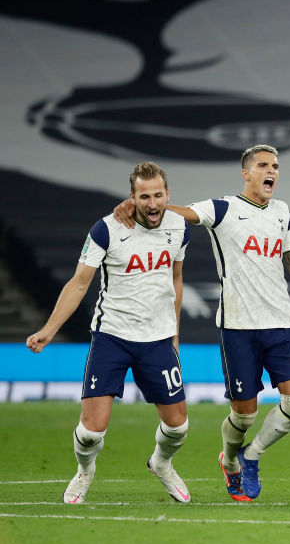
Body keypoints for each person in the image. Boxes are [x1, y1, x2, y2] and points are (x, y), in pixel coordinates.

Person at [115, 145, 290, 502]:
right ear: (246, 173)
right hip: (237, 326)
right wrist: (145, 206)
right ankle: (230, 458)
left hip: (281, 323)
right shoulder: (222, 209)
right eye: (263, 165)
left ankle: (251, 456)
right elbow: (183, 213)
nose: (271, 171)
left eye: (276, 166)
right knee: (244, 415)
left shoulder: (282, 212)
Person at [28, 162, 192, 504]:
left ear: (167, 195)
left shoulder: (180, 228)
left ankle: (161, 463)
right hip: (112, 337)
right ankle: (85, 471)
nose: (152, 203)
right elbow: (79, 283)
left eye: (158, 195)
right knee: (90, 432)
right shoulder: (106, 229)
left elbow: (175, 280)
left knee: (178, 426)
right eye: (144, 196)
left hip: (158, 339)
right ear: (131, 198)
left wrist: (174, 333)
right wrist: (49, 329)